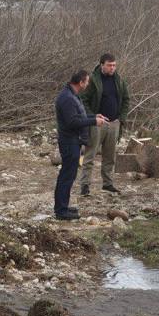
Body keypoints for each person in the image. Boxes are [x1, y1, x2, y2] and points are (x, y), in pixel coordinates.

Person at [54, 70, 107, 220]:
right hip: (69, 141)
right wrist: (93, 122)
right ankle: (61, 211)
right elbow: (72, 122)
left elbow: (78, 116)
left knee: (69, 175)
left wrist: (94, 116)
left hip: (73, 141)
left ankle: (63, 207)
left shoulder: (72, 95)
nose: (88, 84)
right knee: (66, 176)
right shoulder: (67, 98)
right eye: (87, 82)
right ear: (81, 82)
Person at [79, 53, 131, 196]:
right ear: (102, 65)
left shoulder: (119, 80)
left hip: (114, 123)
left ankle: (108, 184)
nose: (112, 68)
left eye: (114, 65)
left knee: (109, 157)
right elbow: (83, 100)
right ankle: (85, 186)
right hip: (97, 123)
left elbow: (126, 100)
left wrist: (121, 118)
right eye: (109, 65)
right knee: (90, 155)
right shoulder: (93, 80)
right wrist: (92, 116)